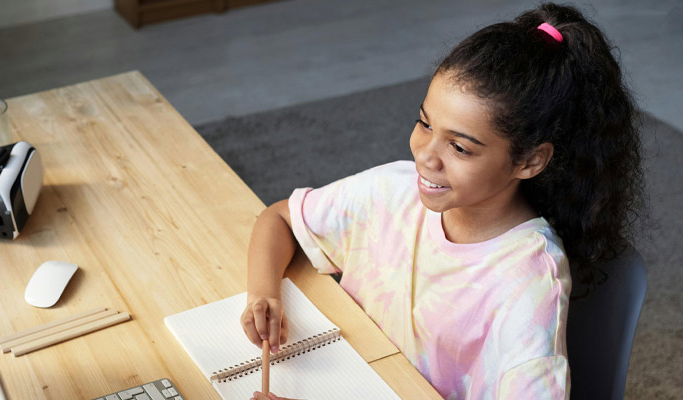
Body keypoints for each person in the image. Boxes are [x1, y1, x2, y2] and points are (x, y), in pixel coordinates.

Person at [240, 2, 645, 399]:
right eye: (425, 123)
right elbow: (280, 218)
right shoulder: (392, 191)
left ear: (530, 160)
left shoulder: (529, 287)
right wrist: (263, 295)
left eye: (460, 148)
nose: (425, 155)